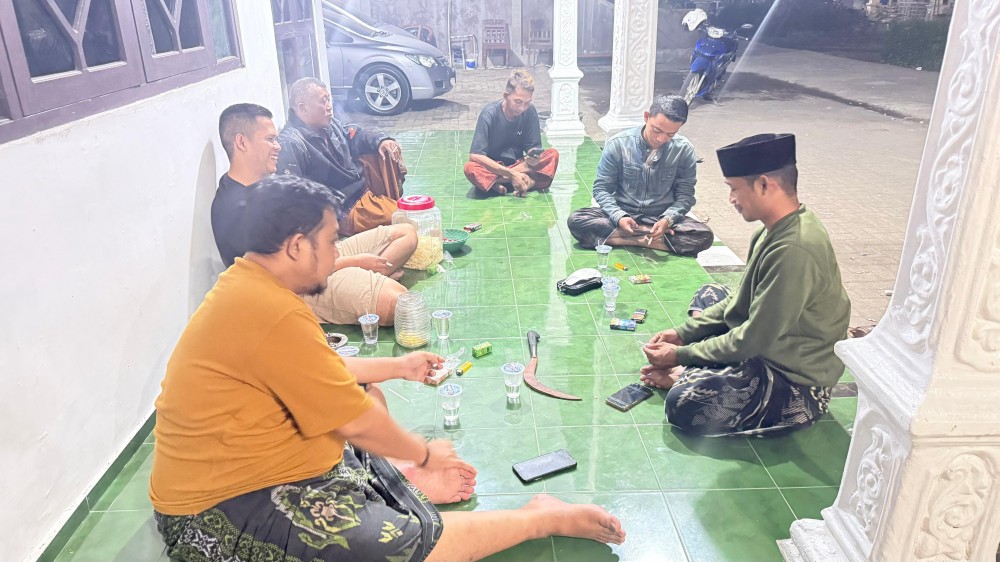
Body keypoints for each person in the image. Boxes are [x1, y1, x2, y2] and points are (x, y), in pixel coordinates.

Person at [151, 174, 627, 561]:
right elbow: (355, 422)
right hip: (217, 507)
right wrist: (424, 453)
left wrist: (399, 365)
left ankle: (396, 482)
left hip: (268, 460)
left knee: (368, 394)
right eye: (331, 243)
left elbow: (324, 372)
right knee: (399, 549)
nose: (337, 256)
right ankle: (539, 517)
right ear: (296, 246)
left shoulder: (250, 285)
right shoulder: (269, 311)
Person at [639, 133, 851, 436]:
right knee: (710, 294)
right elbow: (741, 298)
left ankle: (687, 375)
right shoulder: (771, 230)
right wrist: (683, 334)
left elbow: (751, 340)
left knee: (684, 404)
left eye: (734, 188)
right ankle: (698, 370)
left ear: (764, 184)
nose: (731, 199)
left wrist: (680, 355)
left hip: (794, 381)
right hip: (769, 343)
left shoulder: (795, 248)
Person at [212, 103, 415, 325]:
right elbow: (285, 274)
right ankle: (348, 293)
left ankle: (366, 284)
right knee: (401, 305)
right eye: (270, 139)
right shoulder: (237, 208)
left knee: (406, 233)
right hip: (299, 284)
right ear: (242, 142)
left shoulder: (264, 184)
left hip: (320, 256)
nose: (278, 146)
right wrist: (355, 263)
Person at [567, 95, 714, 257]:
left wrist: (668, 219)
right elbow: (602, 189)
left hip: (658, 219)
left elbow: (685, 196)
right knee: (577, 220)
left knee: (704, 235)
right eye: (657, 130)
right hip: (623, 215)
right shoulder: (618, 144)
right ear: (646, 117)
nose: (661, 139)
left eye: (670, 134)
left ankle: (624, 239)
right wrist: (619, 216)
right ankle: (649, 240)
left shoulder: (684, 150)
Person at [276, 77, 407, 237]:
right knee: (402, 218)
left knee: (384, 150)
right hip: (343, 207)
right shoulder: (290, 143)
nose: (329, 106)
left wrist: (381, 140)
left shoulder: (328, 125)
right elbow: (294, 195)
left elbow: (355, 134)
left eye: (329, 99)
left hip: (360, 191)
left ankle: (380, 206)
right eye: (323, 101)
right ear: (303, 108)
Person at [463, 69, 560, 196]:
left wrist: (534, 158)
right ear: (506, 96)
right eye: (518, 102)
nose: (522, 108)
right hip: (494, 167)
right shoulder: (489, 114)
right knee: (470, 168)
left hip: (519, 165)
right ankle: (527, 181)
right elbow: (475, 156)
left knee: (552, 155)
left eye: (527, 103)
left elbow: (533, 148)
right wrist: (512, 174)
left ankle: (496, 183)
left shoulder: (530, 111)